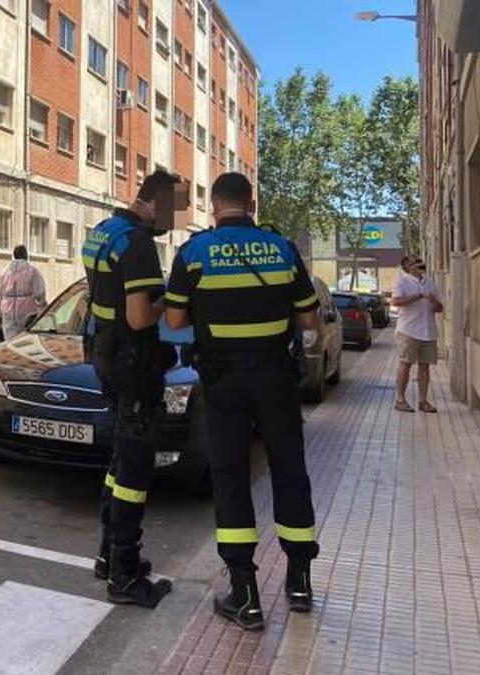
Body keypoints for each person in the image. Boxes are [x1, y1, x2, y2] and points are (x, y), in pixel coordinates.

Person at [164, 173, 320, 630]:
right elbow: (308, 318)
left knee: (230, 476)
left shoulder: (193, 253)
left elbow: (174, 319)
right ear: (251, 203)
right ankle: (299, 584)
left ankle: (245, 595)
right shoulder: (282, 249)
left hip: (223, 380)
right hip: (275, 377)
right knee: (290, 471)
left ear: (214, 206)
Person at [83, 169, 178, 607]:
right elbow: (141, 316)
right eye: (173, 210)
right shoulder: (139, 244)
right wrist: (177, 297)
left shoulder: (104, 231)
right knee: (134, 469)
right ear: (155, 201)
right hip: (133, 362)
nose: (173, 221)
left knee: (120, 458)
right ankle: (123, 572)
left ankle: (108, 555)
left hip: (105, 355)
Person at [391, 255, 443, 413]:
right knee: (405, 363)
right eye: (417, 263)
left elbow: (440, 309)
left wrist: (435, 302)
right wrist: (418, 296)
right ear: (409, 267)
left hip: (428, 331)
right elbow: (396, 302)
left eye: (421, 262)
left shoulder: (430, 283)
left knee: (425, 367)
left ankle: (423, 401)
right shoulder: (402, 282)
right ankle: (400, 399)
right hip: (408, 330)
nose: (421, 264)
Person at [0, 245, 46, 340]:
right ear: (26, 255)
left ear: (14, 255)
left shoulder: (4, 272)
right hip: (26, 312)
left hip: (8, 312)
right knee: (25, 341)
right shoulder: (32, 271)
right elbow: (40, 292)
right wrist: (43, 307)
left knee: (10, 342)